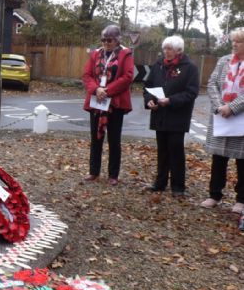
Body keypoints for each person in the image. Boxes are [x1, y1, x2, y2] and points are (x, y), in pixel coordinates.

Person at [144, 35, 199, 196]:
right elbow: (148, 86)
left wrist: (171, 100)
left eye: (170, 49)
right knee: (162, 150)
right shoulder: (159, 65)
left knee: (175, 151)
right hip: (160, 114)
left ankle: (178, 186)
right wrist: (149, 100)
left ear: (179, 50)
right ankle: (160, 183)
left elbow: (191, 92)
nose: (166, 52)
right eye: (165, 48)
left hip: (177, 116)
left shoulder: (190, 68)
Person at [82, 25, 134, 186]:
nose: (105, 43)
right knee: (95, 137)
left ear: (117, 40)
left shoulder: (125, 54)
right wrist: (96, 89)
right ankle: (94, 171)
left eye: (109, 40)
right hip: (97, 101)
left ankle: (113, 174)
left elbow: (127, 76)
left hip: (115, 103)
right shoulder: (95, 54)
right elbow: (86, 75)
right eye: (103, 40)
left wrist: (107, 91)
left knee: (114, 139)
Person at [201, 27, 244, 213]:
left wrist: (232, 107)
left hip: (241, 117)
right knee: (218, 158)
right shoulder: (223, 61)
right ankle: (214, 194)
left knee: (242, 160)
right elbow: (211, 84)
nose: (234, 44)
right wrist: (220, 106)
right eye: (233, 41)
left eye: (239, 41)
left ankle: (241, 199)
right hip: (221, 116)